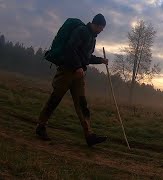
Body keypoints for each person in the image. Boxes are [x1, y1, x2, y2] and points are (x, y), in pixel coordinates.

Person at [36, 14, 109, 147]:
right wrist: (77, 66)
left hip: (79, 75)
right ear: (97, 25)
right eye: (102, 28)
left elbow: (86, 57)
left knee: (82, 104)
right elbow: (70, 48)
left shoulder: (92, 38)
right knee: (55, 99)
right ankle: (41, 126)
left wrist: (101, 60)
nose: (101, 31)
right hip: (67, 71)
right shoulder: (81, 31)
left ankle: (89, 135)